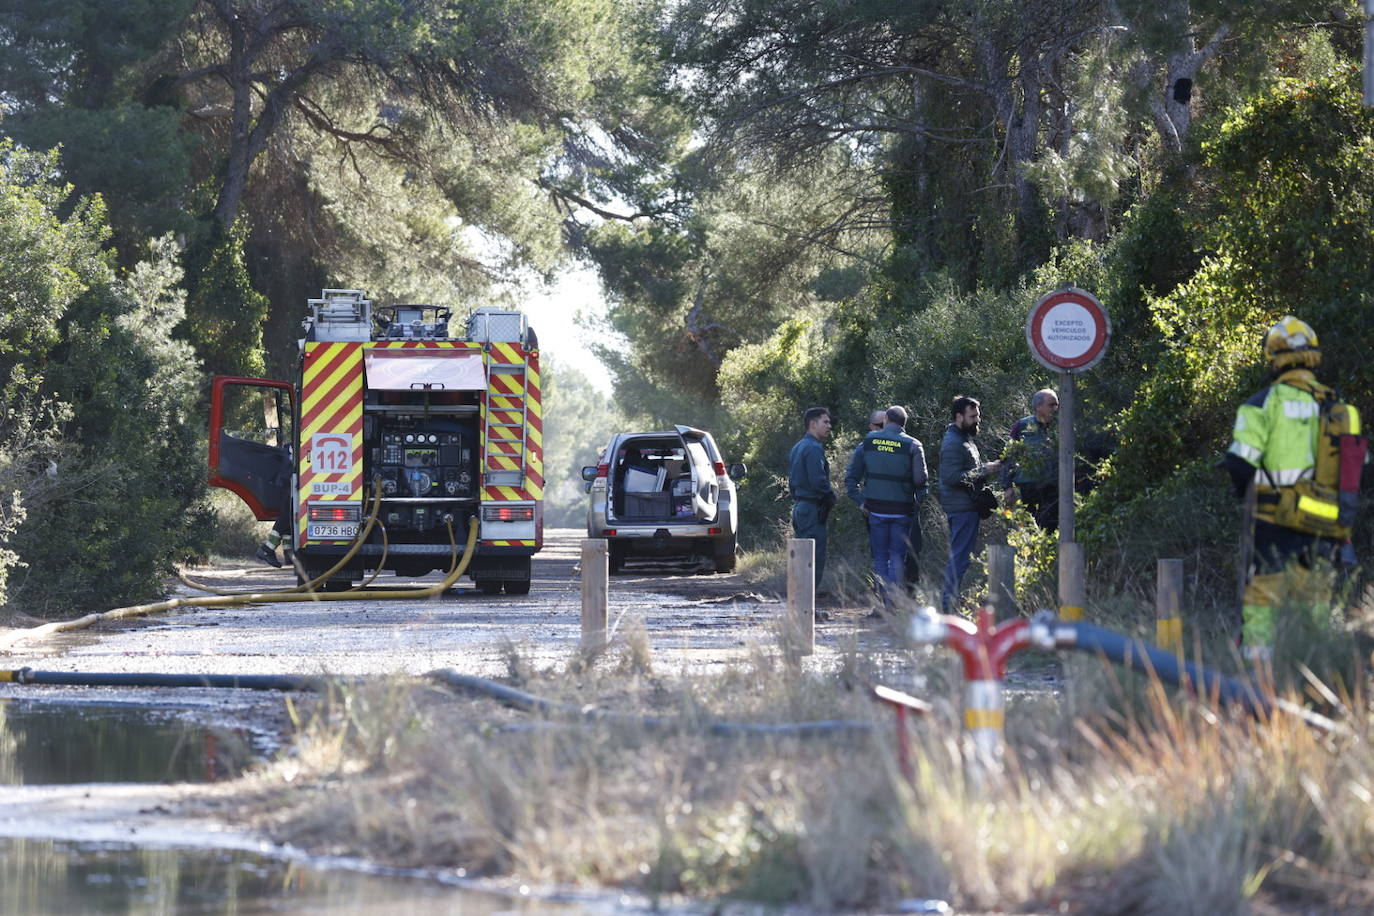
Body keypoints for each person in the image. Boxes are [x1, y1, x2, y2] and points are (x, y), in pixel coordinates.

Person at [1221, 316, 1358, 660]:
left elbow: (1239, 463)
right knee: (1313, 597)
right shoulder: (1339, 408)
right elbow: (1353, 472)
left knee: (1263, 596)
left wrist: (1247, 497)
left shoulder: (1262, 404)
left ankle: (1257, 673)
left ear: (1273, 357)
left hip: (1273, 519)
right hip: (1325, 522)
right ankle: (1310, 667)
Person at [845, 405, 928, 612]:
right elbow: (921, 480)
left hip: (875, 510)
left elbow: (851, 478)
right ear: (904, 423)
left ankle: (883, 604)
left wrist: (861, 502)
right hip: (902, 511)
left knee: (880, 557)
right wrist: (917, 501)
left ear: (887, 420)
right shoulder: (913, 444)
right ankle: (893, 603)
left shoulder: (868, 441)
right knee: (898, 556)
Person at [939, 396, 1002, 612]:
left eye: (978, 415)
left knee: (961, 557)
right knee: (959, 558)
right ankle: (949, 607)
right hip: (962, 509)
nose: (978, 419)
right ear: (959, 417)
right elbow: (951, 477)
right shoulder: (953, 442)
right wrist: (985, 469)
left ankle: (950, 604)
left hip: (967, 508)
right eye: (973, 416)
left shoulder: (964, 439)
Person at [789, 407, 836, 613]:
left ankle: (800, 605)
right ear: (813, 424)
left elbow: (792, 482)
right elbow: (818, 481)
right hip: (811, 508)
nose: (829, 426)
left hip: (800, 506)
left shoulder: (798, 447)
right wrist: (830, 495)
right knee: (814, 559)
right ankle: (807, 608)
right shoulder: (813, 448)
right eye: (825, 422)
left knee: (801, 558)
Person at [1001, 388, 1059, 531]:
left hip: (1055, 487)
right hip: (1029, 487)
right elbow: (1008, 456)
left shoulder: (1061, 426)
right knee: (1032, 528)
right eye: (1051, 405)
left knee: (1052, 527)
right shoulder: (1021, 426)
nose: (1055, 409)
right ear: (1038, 406)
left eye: (1056, 405)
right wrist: (1007, 487)